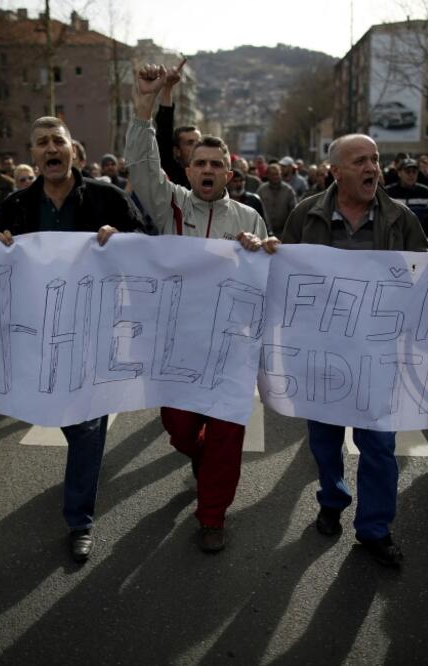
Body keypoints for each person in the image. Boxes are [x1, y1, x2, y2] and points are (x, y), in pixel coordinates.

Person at [126, 62, 276, 554]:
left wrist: (263, 249)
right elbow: (143, 164)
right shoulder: (170, 205)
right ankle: (197, 453)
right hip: (178, 344)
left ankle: (212, 516)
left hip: (231, 347)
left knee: (228, 435)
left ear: (229, 173)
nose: (207, 169)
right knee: (181, 428)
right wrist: (146, 105)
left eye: (217, 164)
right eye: (200, 163)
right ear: (187, 171)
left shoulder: (249, 215)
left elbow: (268, 272)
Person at [0, 116, 146, 563]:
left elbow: (149, 246)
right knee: (64, 414)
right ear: (33, 156)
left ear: (73, 150)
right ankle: (86, 470)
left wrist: (124, 240)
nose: (50, 149)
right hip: (39, 331)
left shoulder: (107, 197)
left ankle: (79, 519)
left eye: (56, 140)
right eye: (40, 143)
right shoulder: (17, 205)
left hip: (96, 329)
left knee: (85, 423)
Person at [282, 133, 428, 567]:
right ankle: (332, 498)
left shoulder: (399, 218)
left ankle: (375, 528)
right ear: (335, 171)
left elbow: (421, 277)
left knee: (379, 445)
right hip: (321, 353)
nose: (372, 169)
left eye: (375, 160)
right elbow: (285, 276)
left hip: (376, 355)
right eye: (360, 161)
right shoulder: (304, 214)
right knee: (325, 441)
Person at [154, 58, 198, 189]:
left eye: (198, 142)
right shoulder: (174, 173)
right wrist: (167, 88)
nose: (197, 147)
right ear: (177, 151)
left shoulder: (211, 174)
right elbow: (164, 128)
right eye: (190, 143)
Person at [384, 157, 428, 236]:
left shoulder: (426, 193)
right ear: (399, 173)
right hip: (394, 238)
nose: (411, 175)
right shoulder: (388, 192)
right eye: (408, 171)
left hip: (418, 239)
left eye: (414, 172)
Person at [257, 162, 297, 237]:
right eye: (272, 174)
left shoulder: (288, 190)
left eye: (277, 174)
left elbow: (294, 211)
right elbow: (257, 210)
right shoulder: (261, 190)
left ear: (280, 174)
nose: (275, 177)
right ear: (267, 175)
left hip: (283, 232)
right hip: (264, 231)